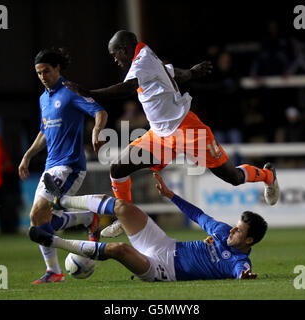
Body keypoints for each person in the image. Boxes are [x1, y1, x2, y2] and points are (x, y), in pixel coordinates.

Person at [65, 30, 279, 238]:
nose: (115, 59)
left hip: (187, 129)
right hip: (159, 135)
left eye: (115, 54)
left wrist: (89, 93)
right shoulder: (146, 57)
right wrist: (192, 73)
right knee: (118, 169)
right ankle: (125, 215)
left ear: (123, 49)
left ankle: (268, 176)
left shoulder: (141, 62)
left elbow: (128, 88)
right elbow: (171, 72)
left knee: (232, 177)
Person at [29, 172, 267, 281]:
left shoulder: (240, 261)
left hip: (162, 270)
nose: (232, 231)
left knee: (118, 249)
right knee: (121, 206)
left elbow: (241, 271)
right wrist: (171, 195)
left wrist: (244, 276)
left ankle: (51, 240)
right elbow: (198, 215)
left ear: (249, 241)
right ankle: (61, 199)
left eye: (239, 231)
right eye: (235, 226)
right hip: (162, 244)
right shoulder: (223, 231)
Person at [19, 48, 108, 284]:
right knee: (38, 221)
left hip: (69, 166)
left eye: (46, 71)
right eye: (38, 73)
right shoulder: (43, 98)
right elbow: (45, 131)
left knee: (38, 214)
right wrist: (27, 155)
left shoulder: (71, 90)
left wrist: (97, 130)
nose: (43, 76)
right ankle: (87, 219)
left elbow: (100, 111)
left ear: (58, 68)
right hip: (51, 166)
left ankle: (55, 272)